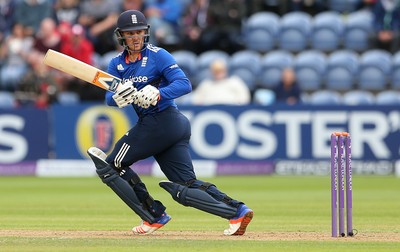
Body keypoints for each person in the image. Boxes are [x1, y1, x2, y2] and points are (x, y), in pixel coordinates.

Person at [87, 9, 253, 236]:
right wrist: (117, 98)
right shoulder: (116, 64)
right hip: (167, 128)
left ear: (146, 33)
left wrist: (158, 92)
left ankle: (153, 214)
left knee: (112, 165)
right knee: (186, 184)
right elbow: (108, 97)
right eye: (130, 33)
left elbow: (184, 84)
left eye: (139, 32)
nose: (135, 37)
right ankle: (237, 211)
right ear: (121, 36)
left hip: (162, 121)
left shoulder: (158, 55)